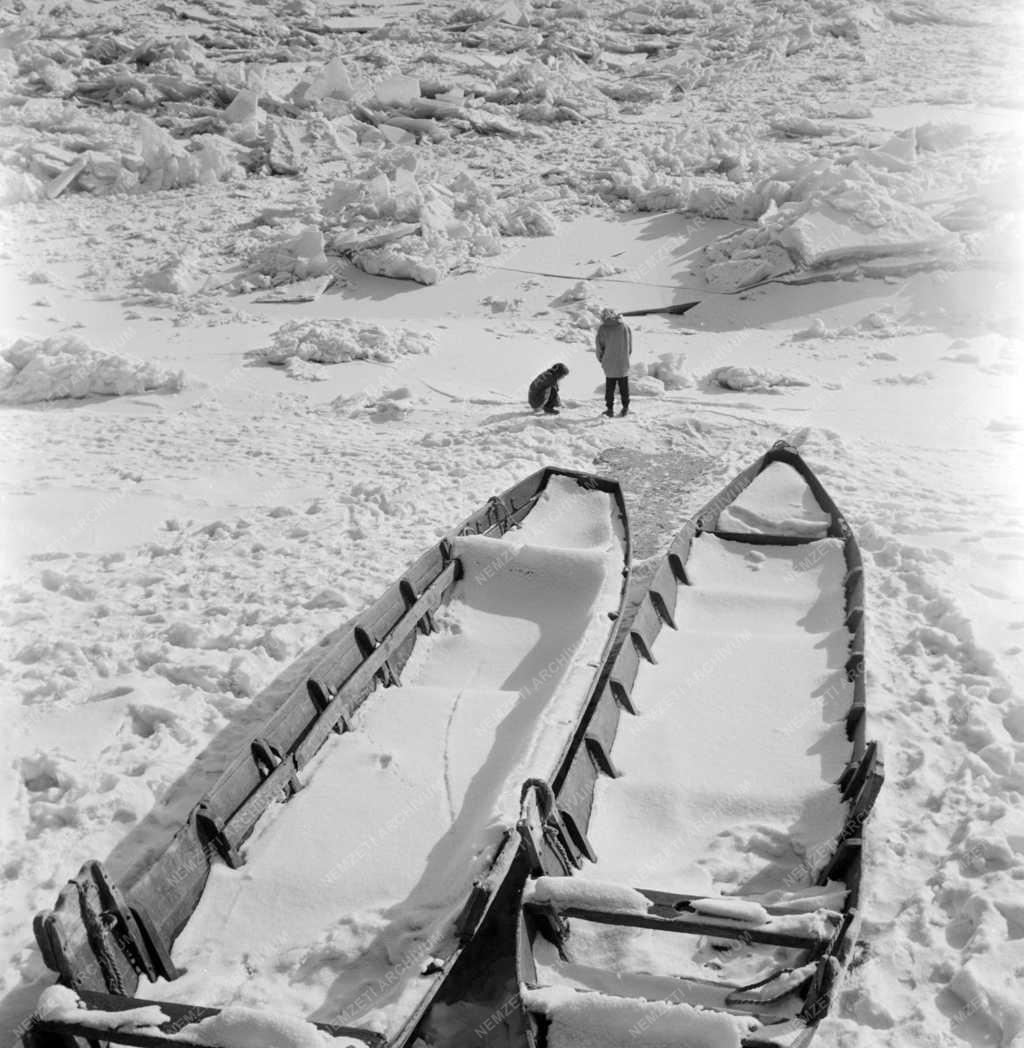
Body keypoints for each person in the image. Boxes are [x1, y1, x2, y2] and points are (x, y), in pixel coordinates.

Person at [595, 307, 632, 417]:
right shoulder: (625, 327)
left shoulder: (603, 329)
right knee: (624, 386)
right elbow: (630, 346)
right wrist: (626, 356)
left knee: (610, 387)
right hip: (623, 361)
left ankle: (610, 409)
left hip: (609, 361)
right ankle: (625, 408)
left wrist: (602, 359)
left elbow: (599, 347)